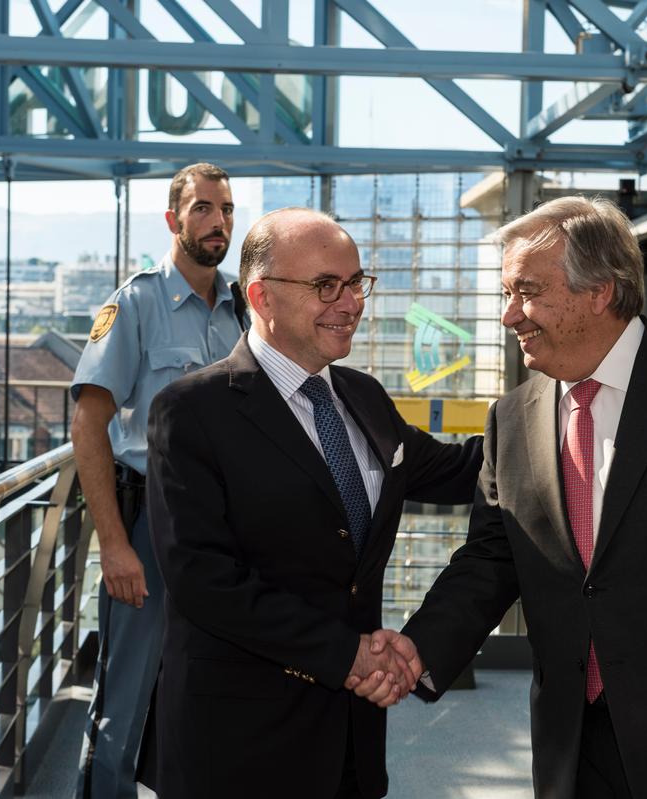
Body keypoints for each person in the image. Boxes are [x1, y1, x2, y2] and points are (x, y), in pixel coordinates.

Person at [357, 197, 647, 798]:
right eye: (506, 294)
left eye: (526, 292)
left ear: (600, 290)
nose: (509, 316)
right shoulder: (514, 418)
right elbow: (492, 558)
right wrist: (417, 649)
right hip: (571, 744)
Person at [142, 207, 482, 799]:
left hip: (351, 741)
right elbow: (203, 580)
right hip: (239, 742)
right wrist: (347, 656)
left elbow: (456, 472)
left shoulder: (364, 396)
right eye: (326, 286)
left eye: (356, 284)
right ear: (261, 297)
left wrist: (558, 419)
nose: (351, 303)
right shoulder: (192, 410)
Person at [70, 163, 244, 798]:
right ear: (173, 220)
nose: (217, 221)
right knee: (124, 707)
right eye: (202, 208)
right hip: (148, 527)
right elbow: (88, 426)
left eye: (225, 209)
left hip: (222, 535)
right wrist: (115, 545)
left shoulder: (243, 313)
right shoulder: (137, 302)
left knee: (204, 698)